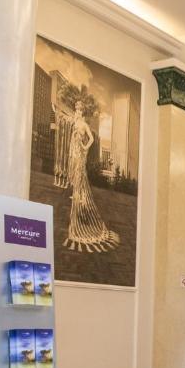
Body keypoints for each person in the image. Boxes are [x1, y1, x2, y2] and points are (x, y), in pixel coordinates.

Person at [62, 100, 119, 253]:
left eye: (79, 110)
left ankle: (79, 198)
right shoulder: (75, 121)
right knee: (75, 174)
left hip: (80, 154)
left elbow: (92, 139)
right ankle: (77, 195)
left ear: (83, 112)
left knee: (80, 175)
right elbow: (68, 125)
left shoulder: (84, 125)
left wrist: (85, 147)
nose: (77, 112)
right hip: (74, 153)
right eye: (76, 109)